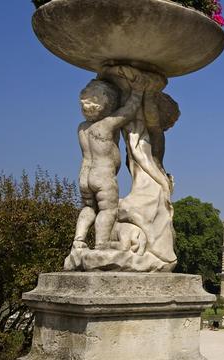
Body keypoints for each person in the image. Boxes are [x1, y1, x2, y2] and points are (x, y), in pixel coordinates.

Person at [73, 66, 149, 250]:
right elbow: (128, 112)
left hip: (84, 175)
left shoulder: (82, 128)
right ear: (108, 104)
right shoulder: (106, 125)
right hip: (103, 175)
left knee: (88, 207)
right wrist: (137, 92)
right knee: (108, 209)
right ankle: (101, 243)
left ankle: (79, 239)